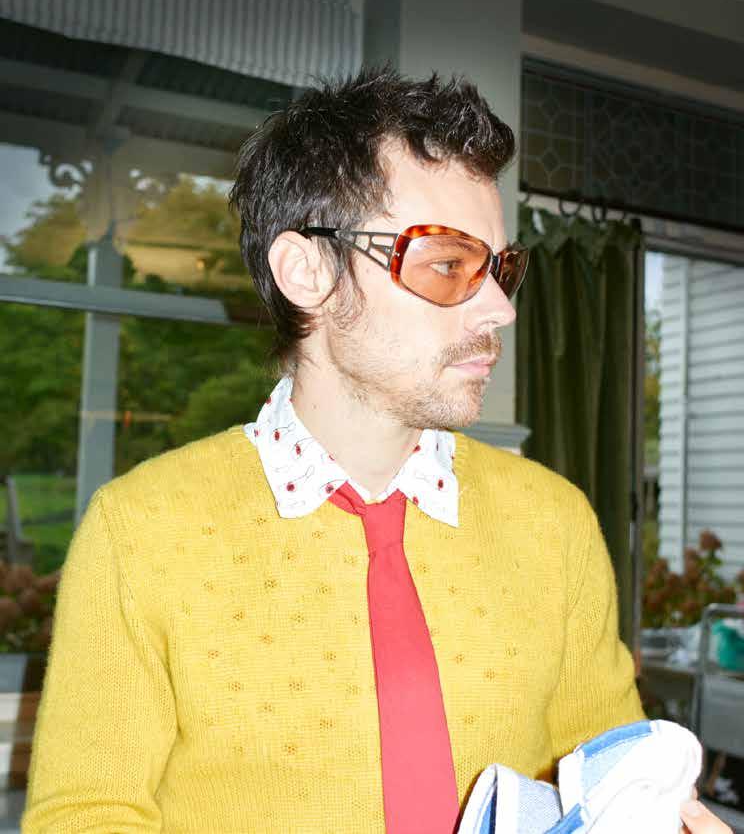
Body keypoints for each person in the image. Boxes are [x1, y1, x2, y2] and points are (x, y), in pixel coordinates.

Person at [23, 69, 729, 834]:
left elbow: (610, 789)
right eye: (448, 263)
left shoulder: (556, 523)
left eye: (500, 268)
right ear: (308, 273)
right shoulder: (139, 531)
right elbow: (85, 815)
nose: (499, 307)